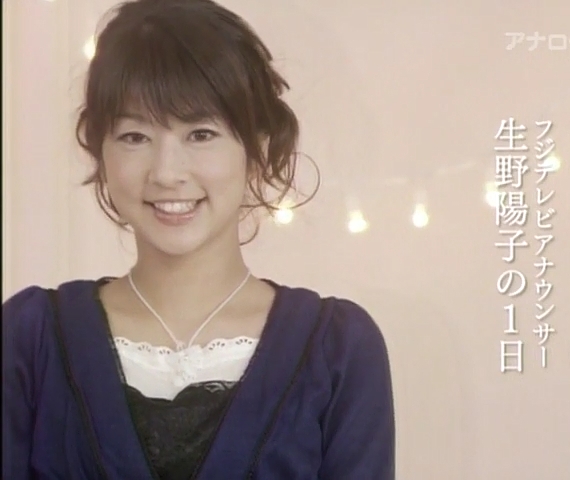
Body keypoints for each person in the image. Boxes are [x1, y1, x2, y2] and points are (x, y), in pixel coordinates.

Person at [1, 0, 395, 479]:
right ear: (99, 150)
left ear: (258, 149)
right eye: (134, 136)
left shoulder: (339, 350)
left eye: (201, 134)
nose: (167, 173)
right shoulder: (30, 339)